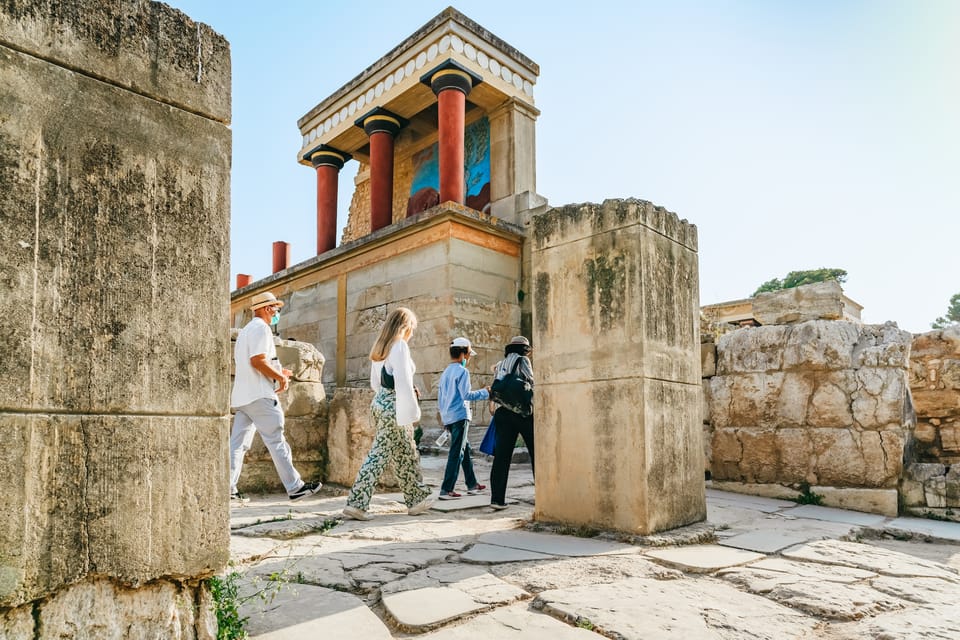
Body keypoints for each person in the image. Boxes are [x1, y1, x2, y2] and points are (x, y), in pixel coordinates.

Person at [229, 291, 322, 503]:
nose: (276, 312)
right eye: (275, 308)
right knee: (276, 439)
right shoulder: (262, 328)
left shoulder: (245, 332)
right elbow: (258, 361)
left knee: (237, 445)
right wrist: (280, 377)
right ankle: (295, 486)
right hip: (260, 395)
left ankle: (228, 489)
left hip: (243, 397)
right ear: (266, 308)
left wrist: (279, 372)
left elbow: (256, 362)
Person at [342, 307, 434, 520]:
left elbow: (376, 383)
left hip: (381, 402)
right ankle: (357, 503)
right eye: (412, 327)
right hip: (395, 406)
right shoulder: (399, 346)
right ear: (405, 326)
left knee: (406, 453)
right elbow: (403, 381)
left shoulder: (380, 347)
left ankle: (417, 499)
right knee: (379, 455)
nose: (412, 332)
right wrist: (412, 411)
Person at [437, 337, 490, 499]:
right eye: (468, 354)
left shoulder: (445, 372)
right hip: (460, 416)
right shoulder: (462, 371)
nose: (468, 358)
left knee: (464, 450)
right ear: (462, 354)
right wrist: (486, 392)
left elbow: (441, 398)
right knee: (457, 453)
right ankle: (446, 489)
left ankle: (472, 484)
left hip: (449, 416)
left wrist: (445, 418)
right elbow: (466, 395)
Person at [489, 335, 535, 510]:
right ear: (525, 350)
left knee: (501, 457)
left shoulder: (501, 364)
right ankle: (543, 496)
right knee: (535, 453)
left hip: (503, 413)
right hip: (522, 413)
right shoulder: (523, 360)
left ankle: (497, 499)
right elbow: (530, 382)